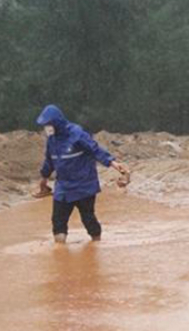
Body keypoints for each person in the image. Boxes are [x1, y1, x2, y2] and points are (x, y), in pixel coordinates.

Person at [35, 104, 129, 243]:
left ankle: (96, 243)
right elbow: (49, 160)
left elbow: (95, 150)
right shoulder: (52, 140)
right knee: (58, 221)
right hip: (63, 188)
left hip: (84, 185)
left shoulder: (77, 134)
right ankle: (61, 251)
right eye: (45, 125)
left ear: (57, 122)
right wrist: (44, 178)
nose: (46, 128)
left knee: (88, 219)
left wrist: (113, 163)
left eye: (48, 124)